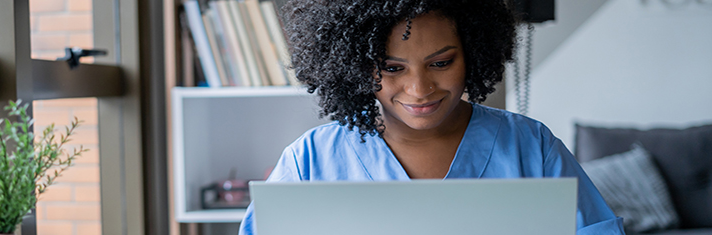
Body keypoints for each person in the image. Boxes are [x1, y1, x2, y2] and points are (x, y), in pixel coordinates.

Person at [239, 0, 625, 234]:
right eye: (392, 68)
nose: (420, 88)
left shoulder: (532, 148)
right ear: (356, 66)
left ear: (473, 50)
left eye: (440, 62)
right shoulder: (309, 161)